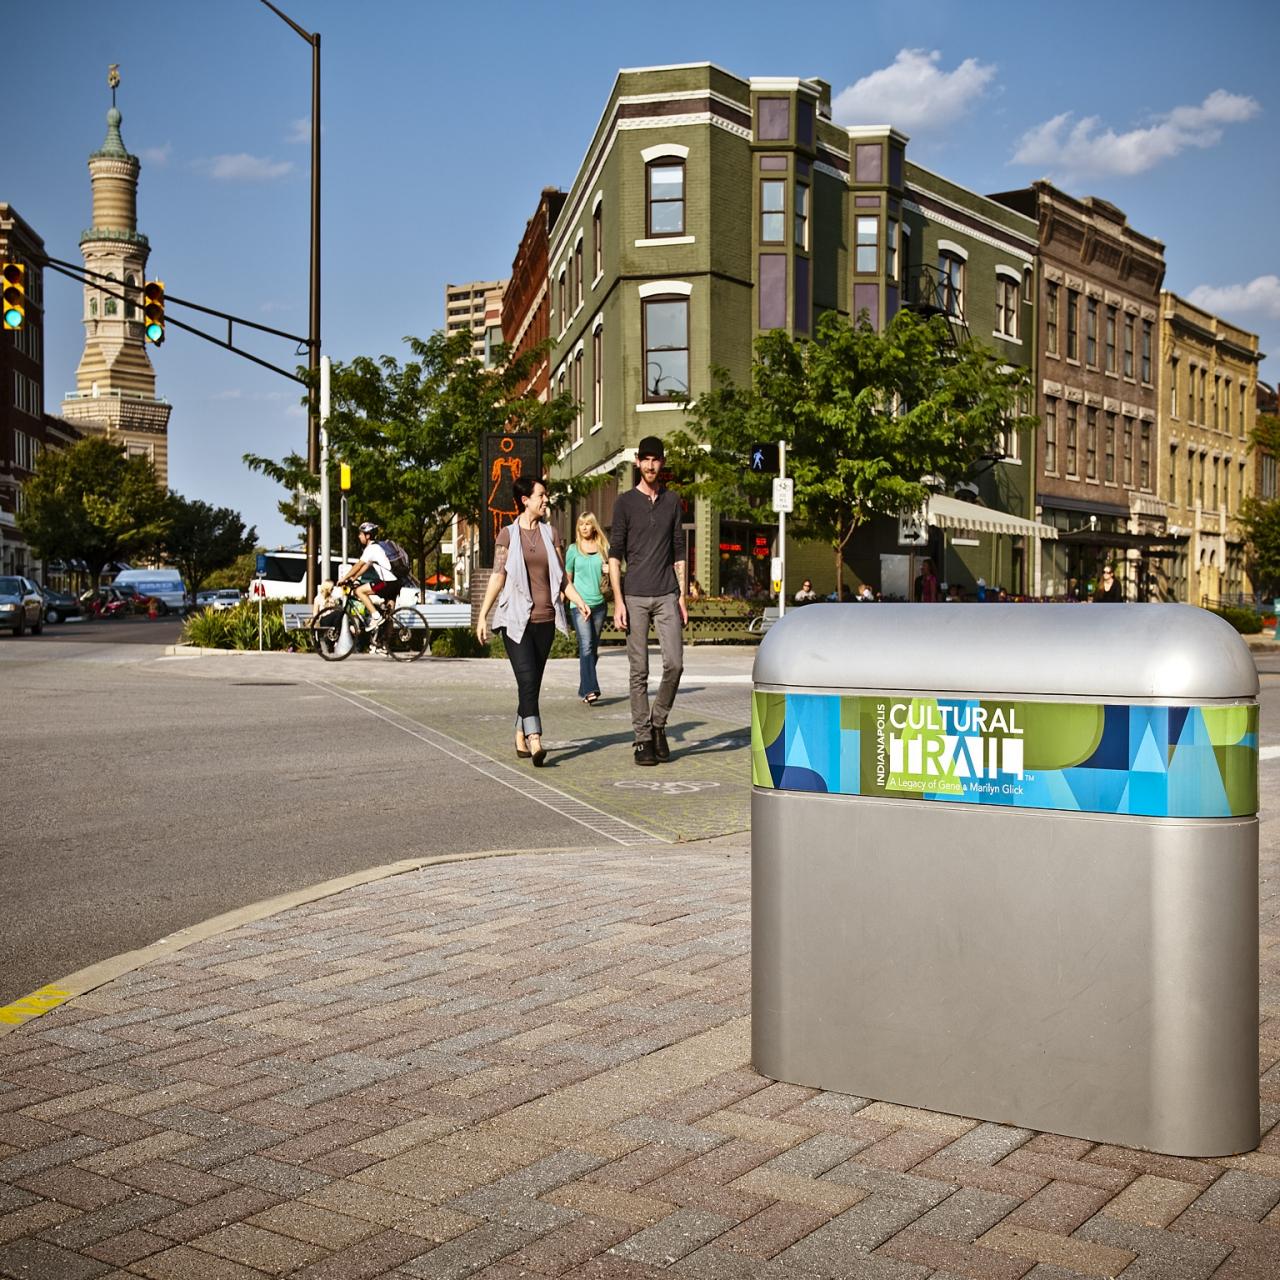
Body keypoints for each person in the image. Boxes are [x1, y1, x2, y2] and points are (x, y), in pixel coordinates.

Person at [476, 477, 589, 767]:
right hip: (516, 621)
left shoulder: (551, 534)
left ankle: (518, 732)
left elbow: (561, 577)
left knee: (532, 683)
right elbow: (498, 576)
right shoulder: (508, 535)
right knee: (527, 679)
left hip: (546, 621)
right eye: (541, 495)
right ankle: (535, 737)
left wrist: (578, 600)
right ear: (525, 500)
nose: (546, 500)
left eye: (546, 495)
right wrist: (482, 615)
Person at [609, 436, 687, 767]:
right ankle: (642, 739)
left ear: (662, 463)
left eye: (656, 460)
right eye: (646, 460)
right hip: (636, 595)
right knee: (638, 670)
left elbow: (679, 549)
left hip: (667, 592)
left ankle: (658, 723)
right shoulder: (625, 502)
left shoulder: (673, 501)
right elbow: (615, 554)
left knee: (675, 664)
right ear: (638, 463)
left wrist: (682, 596)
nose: (651, 465)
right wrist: (618, 601)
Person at [565, 511, 609, 705]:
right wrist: (574, 601)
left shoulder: (604, 548)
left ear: (594, 526)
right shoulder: (573, 550)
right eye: (581, 524)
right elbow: (567, 579)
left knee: (592, 649)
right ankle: (591, 689)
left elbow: (618, 571)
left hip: (599, 605)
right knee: (586, 645)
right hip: (579, 604)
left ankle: (584, 688)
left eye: (587, 524)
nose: (584, 527)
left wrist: (609, 568)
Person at [336, 522, 398, 632]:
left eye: (361, 534)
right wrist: (354, 578)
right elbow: (366, 566)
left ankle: (375, 616)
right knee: (389, 616)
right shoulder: (378, 547)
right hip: (395, 582)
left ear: (368, 535)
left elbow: (358, 565)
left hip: (386, 582)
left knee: (359, 591)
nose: (359, 536)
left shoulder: (371, 548)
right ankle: (384, 645)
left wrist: (343, 578)